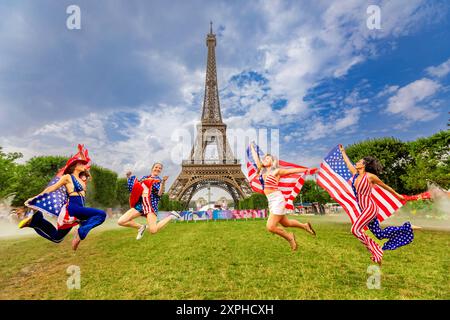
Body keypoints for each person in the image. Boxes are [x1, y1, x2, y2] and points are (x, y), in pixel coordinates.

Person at [339, 145, 420, 264]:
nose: (356, 162)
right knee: (380, 234)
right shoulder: (355, 174)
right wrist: (343, 152)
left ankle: (375, 249)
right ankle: (407, 227)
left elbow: (385, 186)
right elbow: (348, 163)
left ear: (364, 164)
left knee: (355, 229)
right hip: (364, 209)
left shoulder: (370, 176)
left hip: (370, 209)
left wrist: (398, 195)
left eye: (359, 161)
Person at [19, 145, 106, 251]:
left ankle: (36, 221)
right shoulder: (67, 177)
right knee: (101, 214)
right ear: (74, 166)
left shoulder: (82, 179)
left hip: (79, 211)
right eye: (81, 163)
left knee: (57, 238)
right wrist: (36, 197)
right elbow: (52, 188)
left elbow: (88, 166)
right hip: (73, 208)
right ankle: (81, 232)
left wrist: (82, 155)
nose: (84, 165)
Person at [249, 142, 317, 251]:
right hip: (271, 201)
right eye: (264, 158)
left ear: (273, 161)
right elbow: (256, 158)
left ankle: (290, 237)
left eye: (268, 158)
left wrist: (307, 170)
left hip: (277, 199)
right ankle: (305, 226)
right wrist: (252, 147)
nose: (265, 159)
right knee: (286, 223)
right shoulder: (262, 171)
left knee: (270, 226)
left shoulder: (277, 171)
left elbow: (292, 171)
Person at [117, 163, 181, 240]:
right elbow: (135, 187)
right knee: (121, 221)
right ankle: (141, 227)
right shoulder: (144, 178)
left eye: (160, 168)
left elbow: (159, 193)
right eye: (156, 167)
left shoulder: (159, 181)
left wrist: (163, 182)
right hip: (141, 205)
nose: (158, 169)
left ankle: (171, 216)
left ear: (161, 170)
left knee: (153, 230)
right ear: (152, 168)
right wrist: (128, 177)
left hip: (150, 206)